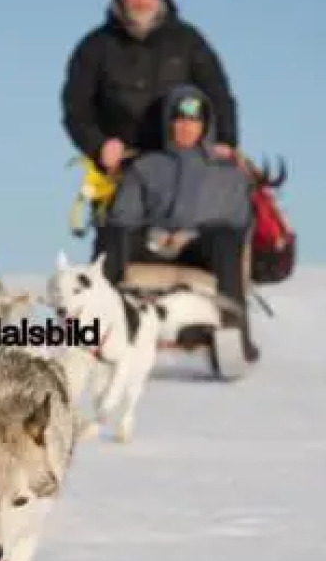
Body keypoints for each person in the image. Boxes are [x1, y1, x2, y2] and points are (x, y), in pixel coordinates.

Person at [97, 85, 261, 363]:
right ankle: (102, 329)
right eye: (179, 119)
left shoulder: (227, 172)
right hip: (153, 244)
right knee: (115, 234)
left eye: (193, 120)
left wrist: (192, 234)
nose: (186, 126)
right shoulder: (147, 166)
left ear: (205, 124)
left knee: (226, 239)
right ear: (168, 122)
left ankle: (234, 336)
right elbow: (125, 214)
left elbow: (238, 219)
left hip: (201, 249)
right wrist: (154, 232)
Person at [61, 0, 240, 182]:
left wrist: (225, 141)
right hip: (122, 171)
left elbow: (218, 93)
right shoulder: (94, 46)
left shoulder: (188, 41)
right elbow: (75, 107)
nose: (141, 0)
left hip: (184, 169)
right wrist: (99, 145)